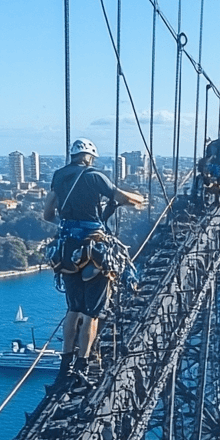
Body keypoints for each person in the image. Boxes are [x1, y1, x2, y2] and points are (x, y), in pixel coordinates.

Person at [43, 138, 147, 390]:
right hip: (93, 252)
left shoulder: (59, 176)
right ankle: (82, 364)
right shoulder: (94, 176)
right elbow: (123, 197)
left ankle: (64, 365)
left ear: (72, 156)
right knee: (91, 314)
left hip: (67, 253)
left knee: (73, 309)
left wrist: (69, 228)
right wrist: (139, 198)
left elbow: (47, 214)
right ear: (90, 157)